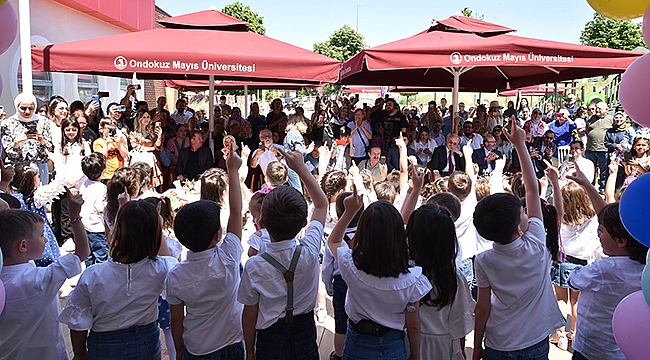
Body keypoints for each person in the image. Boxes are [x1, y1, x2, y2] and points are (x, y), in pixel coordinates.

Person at [472, 121, 564, 360]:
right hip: (535, 341)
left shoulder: (483, 260)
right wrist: (521, 146)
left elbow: (482, 308)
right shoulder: (535, 242)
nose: (527, 213)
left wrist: (478, 344)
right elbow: (533, 190)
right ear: (517, 227)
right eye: (523, 212)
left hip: (499, 343)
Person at [238, 148, 328, 360]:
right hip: (305, 331)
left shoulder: (254, 265)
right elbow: (321, 204)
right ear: (304, 224)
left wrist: (250, 350)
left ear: (261, 223)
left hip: (270, 337)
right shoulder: (310, 249)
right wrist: (301, 168)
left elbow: (249, 316)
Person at [59, 200, 177, 360]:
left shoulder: (94, 275)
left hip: (103, 347)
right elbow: (167, 259)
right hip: (146, 343)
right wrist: (154, 221)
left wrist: (79, 354)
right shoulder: (162, 268)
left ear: (118, 230)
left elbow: (79, 323)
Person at [327, 184, 432, 359]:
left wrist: (349, 212)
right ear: (399, 236)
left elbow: (334, 242)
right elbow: (413, 324)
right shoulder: (412, 280)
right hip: (392, 344)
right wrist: (415, 354)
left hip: (357, 342)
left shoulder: (350, 266)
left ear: (363, 232)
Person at [167, 143, 245, 359]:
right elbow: (236, 213)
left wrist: (180, 350)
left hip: (196, 347)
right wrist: (233, 170)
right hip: (232, 342)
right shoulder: (229, 257)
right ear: (218, 234)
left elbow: (176, 319)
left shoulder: (176, 275)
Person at [566, 166, 647, 360]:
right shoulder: (644, 268)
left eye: (600, 231)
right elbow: (613, 221)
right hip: (621, 352)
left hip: (591, 350)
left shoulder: (603, 270)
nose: (598, 236)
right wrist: (587, 184)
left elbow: (573, 280)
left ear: (620, 241)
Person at [0, 189, 89, 359]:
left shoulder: (16, 273)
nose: (46, 240)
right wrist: (75, 217)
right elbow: (82, 252)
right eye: (42, 235)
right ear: (23, 246)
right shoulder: (38, 280)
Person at [406, 203, 475, 360]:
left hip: (411, 342)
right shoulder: (454, 277)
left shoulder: (406, 274)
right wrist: (462, 350)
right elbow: (459, 321)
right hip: (444, 345)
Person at [1, 93, 54, 185]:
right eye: (23, 108)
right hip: (18, 169)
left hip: (40, 168)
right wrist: (17, 142)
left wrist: (41, 141)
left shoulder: (44, 122)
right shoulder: (7, 124)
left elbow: (48, 150)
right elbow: (10, 153)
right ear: (17, 107)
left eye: (31, 108)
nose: (27, 111)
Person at [76, 153, 108, 266]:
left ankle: (90, 278)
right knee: (102, 257)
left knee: (88, 257)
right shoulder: (101, 189)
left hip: (84, 226)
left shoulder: (84, 184)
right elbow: (101, 210)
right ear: (103, 170)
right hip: (98, 229)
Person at [129, 109, 164, 188]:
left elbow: (157, 146)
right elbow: (136, 146)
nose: (146, 119)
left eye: (148, 117)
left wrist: (159, 136)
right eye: (144, 117)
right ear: (139, 119)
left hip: (150, 157)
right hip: (138, 157)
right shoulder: (133, 133)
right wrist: (151, 149)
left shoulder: (152, 132)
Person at [585, 101, 613, 192]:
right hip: (590, 148)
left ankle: (602, 187)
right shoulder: (591, 118)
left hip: (603, 149)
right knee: (590, 168)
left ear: (606, 110)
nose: (597, 110)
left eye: (599, 108)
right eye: (596, 108)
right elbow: (587, 130)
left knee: (603, 170)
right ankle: (590, 186)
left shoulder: (610, 119)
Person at [93, 117, 128, 182]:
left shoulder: (120, 140)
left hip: (119, 174)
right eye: (108, 129)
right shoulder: (98, 142)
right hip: (105, 175)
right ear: (102, 129)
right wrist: (106, 143)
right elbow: (100, 158)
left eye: (113, 129)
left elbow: (125, 155)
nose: (110, 131)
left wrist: (119, 143)